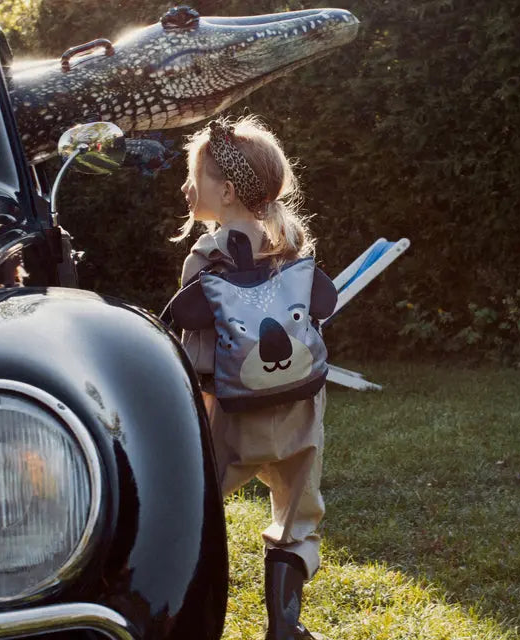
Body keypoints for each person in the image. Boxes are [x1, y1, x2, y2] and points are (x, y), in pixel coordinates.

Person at [171, 115, 330, 640]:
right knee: (295, 512)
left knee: (195, 504)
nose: (187, 187)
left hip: (231, 410)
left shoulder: (207, 255)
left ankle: (180, 608)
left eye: (197, 178)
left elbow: (197, 342)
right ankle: (285, 625)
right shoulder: (292, 242)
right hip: (300, 404)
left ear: (230, 191)